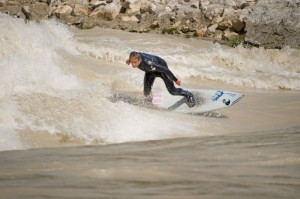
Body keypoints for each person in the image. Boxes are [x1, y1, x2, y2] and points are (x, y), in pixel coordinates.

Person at [126, 51, 196, 107]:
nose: (133, 64)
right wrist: (129, 60)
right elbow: (134, 55)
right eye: (132, 62)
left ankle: (188, 94)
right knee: (146, 93)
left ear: (140, 60)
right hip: (150, 72)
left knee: (173, 91)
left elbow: (165, 69)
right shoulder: (134, 57)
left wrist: (175, 80)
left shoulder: (149, 64)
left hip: (162, 70)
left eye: (135, 62)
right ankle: (150, 103)